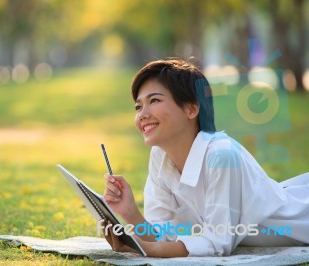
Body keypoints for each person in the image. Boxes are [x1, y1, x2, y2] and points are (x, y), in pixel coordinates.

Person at [102, 58, 309, 257]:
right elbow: (161, 236)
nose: (142, 114)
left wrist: (145, 249)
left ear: (191, 108)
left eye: (154, 100)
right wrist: (129, 212)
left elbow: (216, 243)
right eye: (138, 106)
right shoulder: (160, 156)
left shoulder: (222, 155)